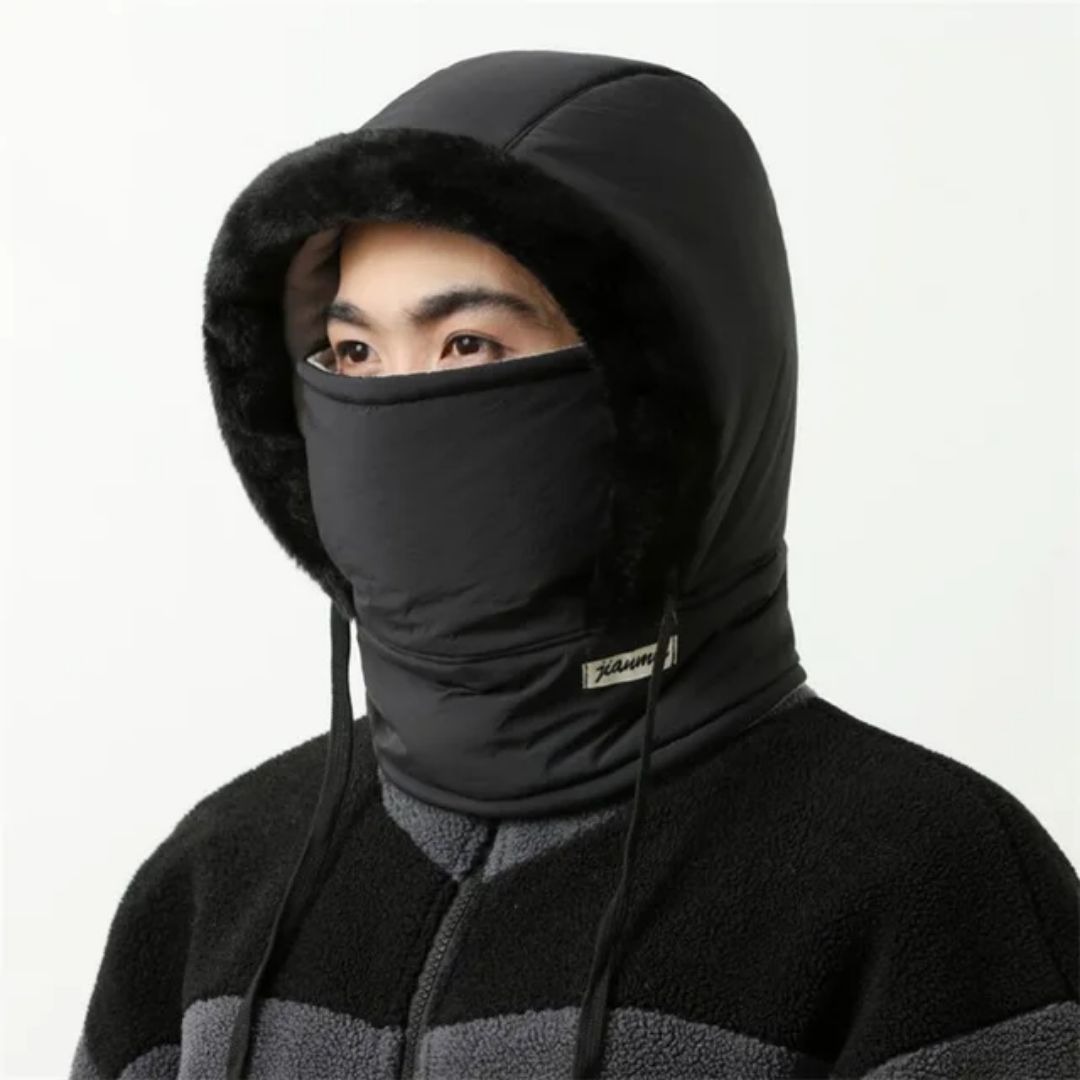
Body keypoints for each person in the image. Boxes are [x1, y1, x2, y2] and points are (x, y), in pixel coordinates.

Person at [70, 48, 1079, 1080]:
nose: (392, 405)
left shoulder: (926, 888)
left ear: (671, 388)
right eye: (356, 353)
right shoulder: (216, 882)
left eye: (469, 345)